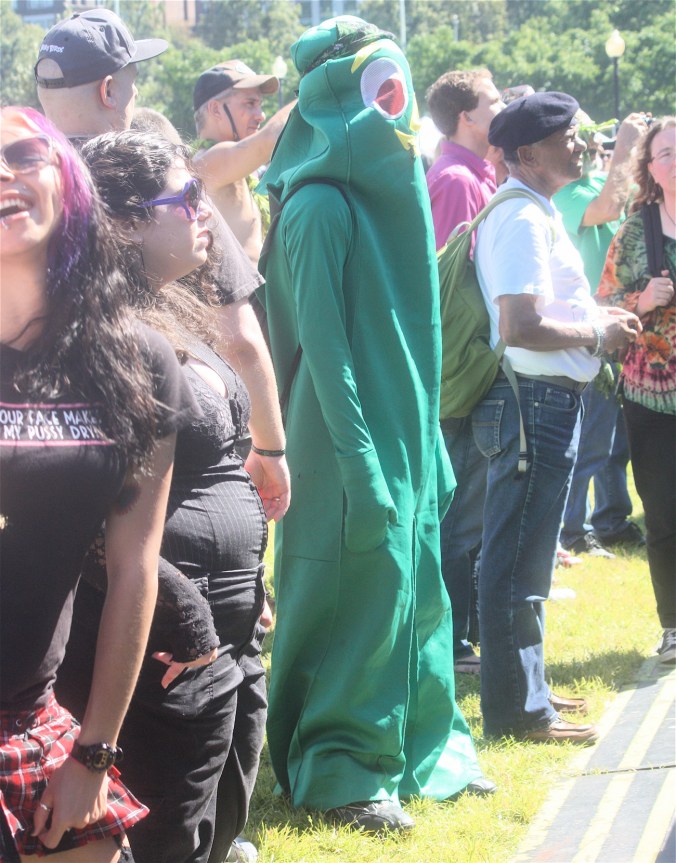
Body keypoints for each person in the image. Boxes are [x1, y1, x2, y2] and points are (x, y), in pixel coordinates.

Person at [258, 16, 493, 835]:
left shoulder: (388, 200)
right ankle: (339, 768)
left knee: (418, 590)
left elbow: (412, 337)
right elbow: (324, 355)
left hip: (402, 435)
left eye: (399, 86)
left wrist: (426, 442)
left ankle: (428, 747)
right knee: (358, 594)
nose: (396, 108)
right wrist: (360, 462)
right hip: (343, 441)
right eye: (378, 87)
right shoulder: (317, 206)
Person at [56, 131, 270, 863]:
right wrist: (189, 613)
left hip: (222, 621)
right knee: (169, 830)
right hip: (161, 640)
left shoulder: (173, 306)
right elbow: (81, 514)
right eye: (186, 197)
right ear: (125, 221)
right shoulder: (101, 338)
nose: (202, 210)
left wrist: (248, 586)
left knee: (221, 812)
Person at [0, 107, 197, 862]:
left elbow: (134, 568)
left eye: (25, 154)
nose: (5, 172)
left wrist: (94, 755)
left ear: (69, 187)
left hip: (30, 719)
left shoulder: (137, 362)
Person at [35, 6, 291, 525]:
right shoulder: (159, 183)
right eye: (132, 83)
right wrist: (270, 450)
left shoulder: (23, 194)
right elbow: (238, 336)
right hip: (171, 479)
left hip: (52, 475)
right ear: (110, 91)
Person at [473, 91, 641, 743]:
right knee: (516, 558)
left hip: (543, 400)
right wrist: (596, 336)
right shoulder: (520, 219)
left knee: (531, 557)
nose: (579, 143)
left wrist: (594, 323)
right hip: (530, 402)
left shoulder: (534, 211)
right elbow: (520, 323)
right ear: (524, 154)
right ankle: (518, 711)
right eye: (563, 136)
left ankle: (531, 690)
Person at [425, 68, 504, 675]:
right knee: (460, 513)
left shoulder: (475, 173)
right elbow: (451, 283)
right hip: (461, 368)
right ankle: (453, 642)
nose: (502, 109)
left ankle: (466, 630)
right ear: (466, 118)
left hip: (468, 363)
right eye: (494, 101)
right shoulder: (455, 179)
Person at [597, 116, 676, 664]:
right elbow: (602, 304)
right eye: (665, 153)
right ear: (649, 168)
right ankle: (673, 625)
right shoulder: (632, 231)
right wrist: (639, 302)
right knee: (664, 513)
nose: (674, 160)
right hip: (652, 395)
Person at [556, 111, 649, 558]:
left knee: (614, 443)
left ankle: (609, 520)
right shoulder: (567, 194)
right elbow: (611, 208)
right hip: (585, 332)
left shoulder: (596, 184)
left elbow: (635, 202)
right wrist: (630, 140)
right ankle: (570, 531)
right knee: (589, 440)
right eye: (585, 134)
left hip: (618, 327)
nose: (594, 142)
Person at [192, 61, 296, 265]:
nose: (261, 115)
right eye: (250, 104)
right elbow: (270, 139)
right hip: (244, 296)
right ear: (215, 110)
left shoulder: (235, 164)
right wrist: (320, 84)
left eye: (260, 104)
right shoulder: (207, 161)